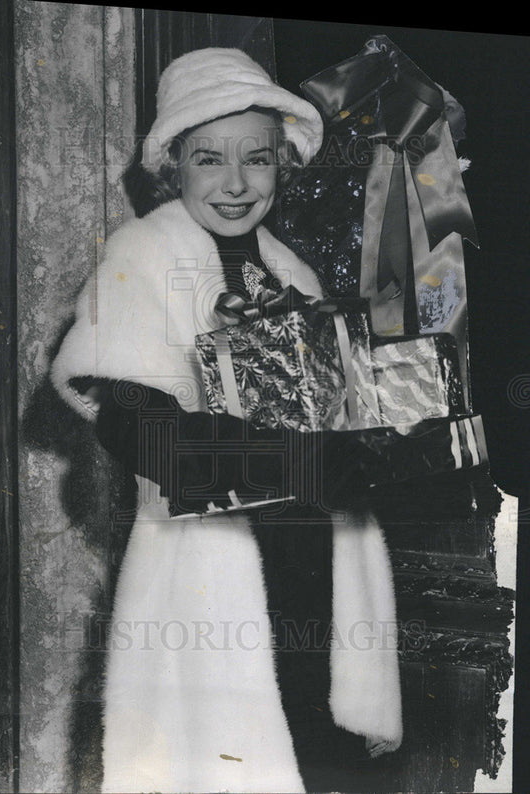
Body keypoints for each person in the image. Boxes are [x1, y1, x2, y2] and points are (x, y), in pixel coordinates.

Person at [51, 47, 402, 794]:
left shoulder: (293, 272)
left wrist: (378, 441)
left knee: (315, 754)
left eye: (258, 159)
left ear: (284, 164)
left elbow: (340, 418)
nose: (236, 183)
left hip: (315, 574)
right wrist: (295, 462)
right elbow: (136, 427)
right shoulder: (142, 254)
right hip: (212, 579)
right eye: (209, 159)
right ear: (173, 167)